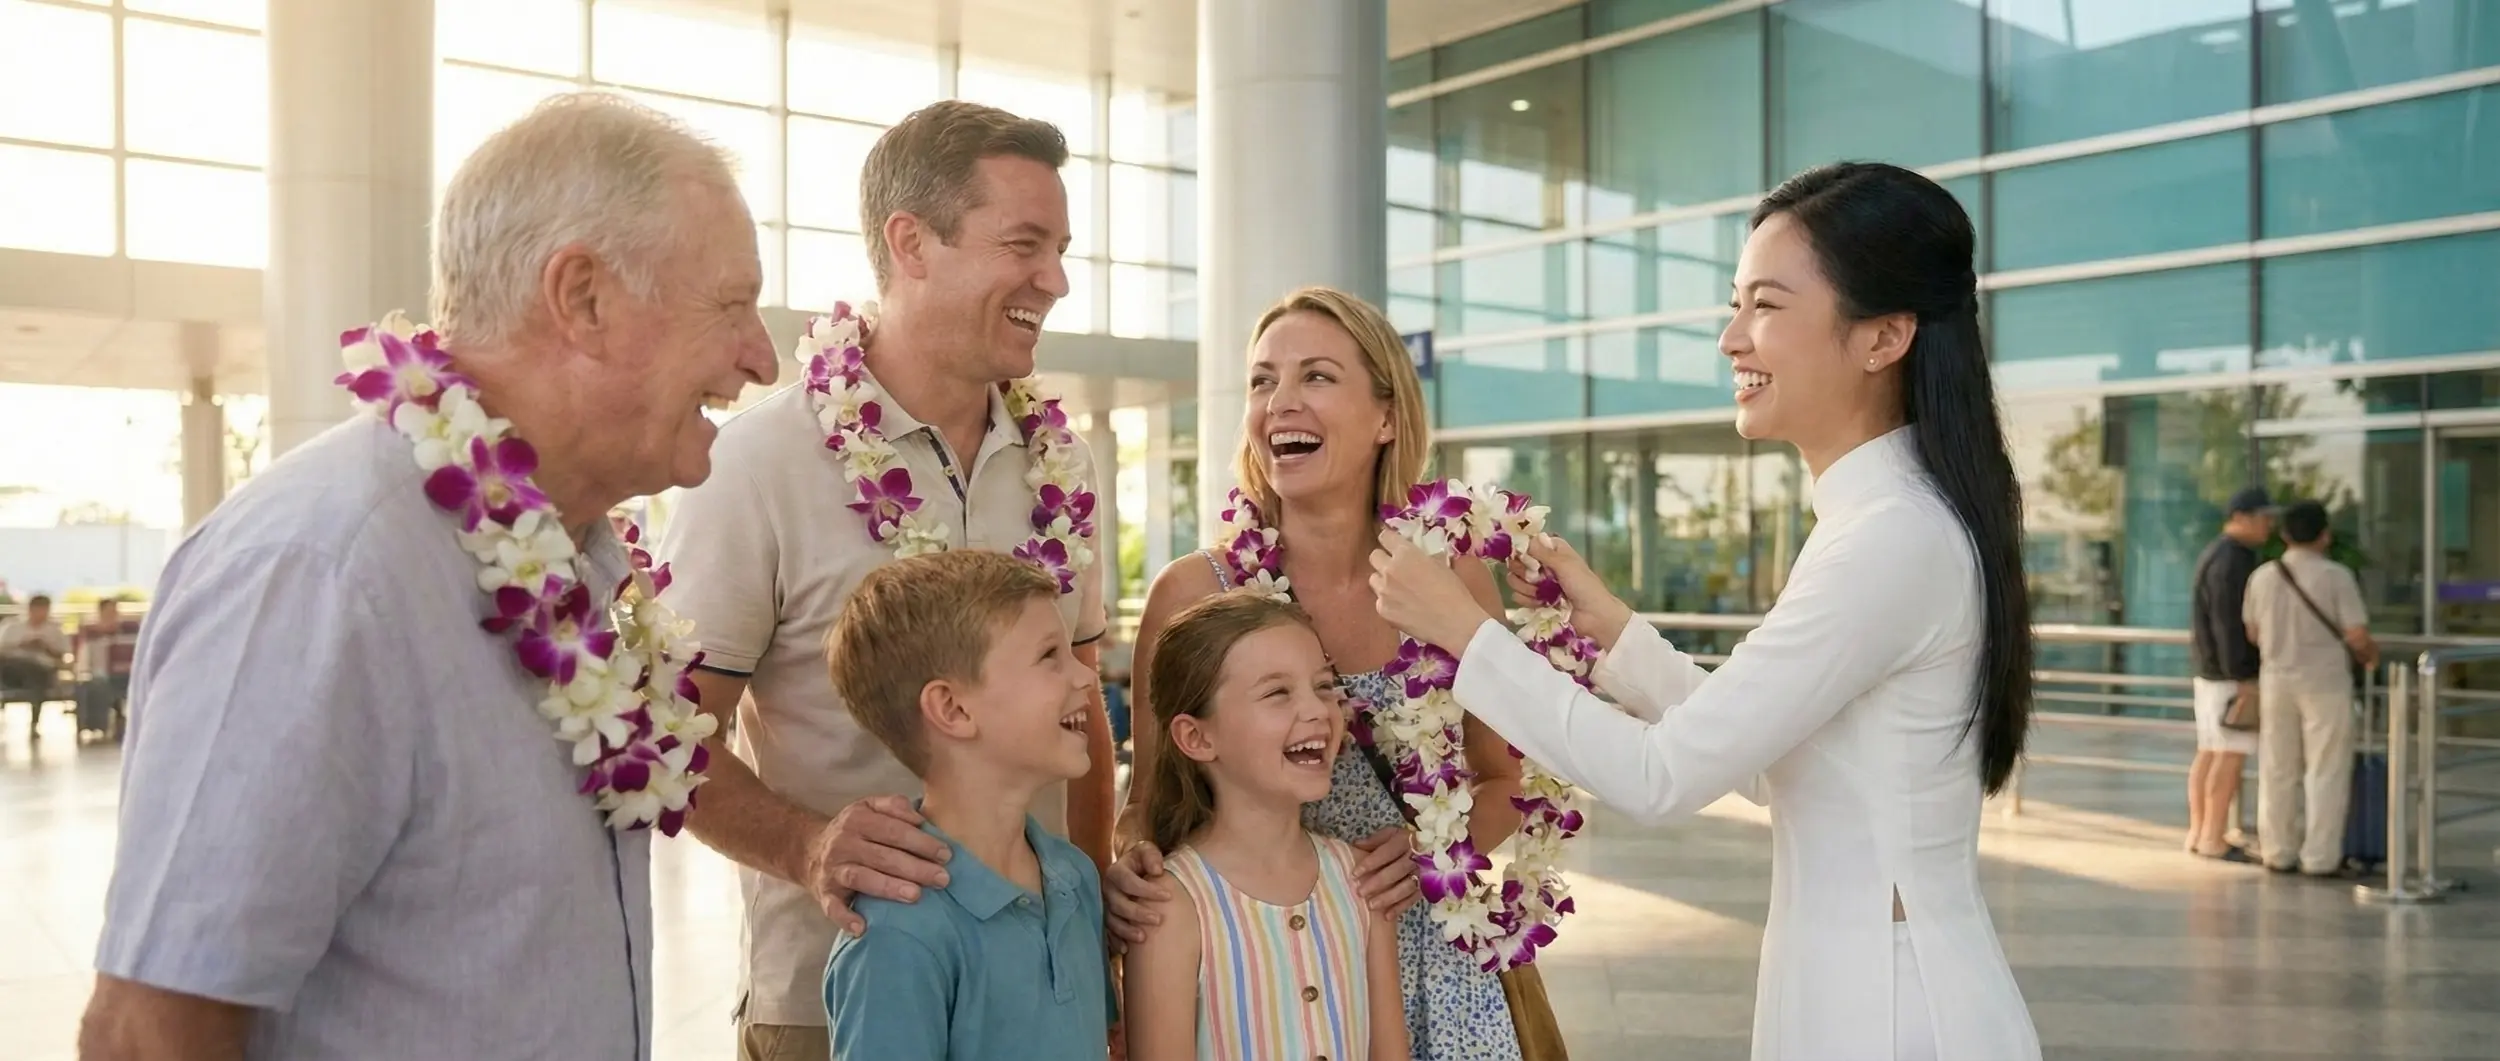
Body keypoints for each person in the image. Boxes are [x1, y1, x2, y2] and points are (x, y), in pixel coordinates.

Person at [78, 92, 776, 1060]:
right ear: (583, 298)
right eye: (732, 304)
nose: (761, 357)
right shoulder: (321, 573)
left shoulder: (579, 562)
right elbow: (151, 1029)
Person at [1371, 162, 2041, 1061]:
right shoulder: (1884, 522)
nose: (1731, 339)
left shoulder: (1890, 537)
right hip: (1860, 983)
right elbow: (1769, 761)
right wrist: (1612, 629)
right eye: (1736, 305)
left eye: (1766, 305)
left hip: (1889, 1010)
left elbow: (1661, 776)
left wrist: (1465, 631)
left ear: (1883, 336)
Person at [655, 99, 1113, 1061]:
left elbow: (1086, 706)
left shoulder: (1061, 464)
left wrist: (1097, 932)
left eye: (1061, 249)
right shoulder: (755, 461)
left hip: (1044, 995)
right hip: (832, 999)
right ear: (911, 243)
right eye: (1024, 244)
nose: (1056, 280)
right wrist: (809, 847)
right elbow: (668, 735)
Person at [1106, 287, 1544, 1060]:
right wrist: (1133, 867)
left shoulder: (1451, 576)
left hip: (1437, 969)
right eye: (1262, 379)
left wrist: (1430, 853)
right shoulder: (1194, 592)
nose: (1280, 400)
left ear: (1385, 418)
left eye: (1316, 375)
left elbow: (1507, 777)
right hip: (1261, 970)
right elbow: (1148, 802)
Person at [817, 550, 1114, 1059]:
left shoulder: (1076, 877)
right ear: (952, 709)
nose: (1085, 677)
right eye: (1049, 656)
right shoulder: (894, 935)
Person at [1122, 591, 1408, 1061]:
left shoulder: (1362, 882)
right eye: (1278, 693)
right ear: (1196, 737)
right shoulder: (1171, 907)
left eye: (1323, 686)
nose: (1317, 710)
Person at [2242, 499, 2378, 877]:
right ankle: (2319, 857)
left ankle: (2278, 851)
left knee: (2277, 767)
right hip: (2325, 681)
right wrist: (2371, 656)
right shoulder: (2336, 576)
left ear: (2284, 535)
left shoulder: (2262, 576)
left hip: (2276, 679)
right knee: (2326, 768)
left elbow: (2252, 632)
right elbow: (2356, 634)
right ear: (2325, 536)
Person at [2185, 486, 2276, 862]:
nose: (2269, 525)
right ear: (2240, 517)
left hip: (2210, 672)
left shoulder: (2216, 553)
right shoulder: (2234, 561)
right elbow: (2228, 624)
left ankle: (2199, 832)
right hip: (2229, 676)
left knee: (2209, 752)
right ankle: (2212, 838)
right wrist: (2244, 676)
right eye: (2263, 517)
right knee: (2229, 755)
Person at [75, 596, 142, 739]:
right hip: (100, 671)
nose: (112, 614)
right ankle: (99, 726)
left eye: (114, 611)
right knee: (98, 683)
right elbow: (84, 657)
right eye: (108, 611)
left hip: (125, 672)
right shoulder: (91, 632)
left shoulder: (128, 629)